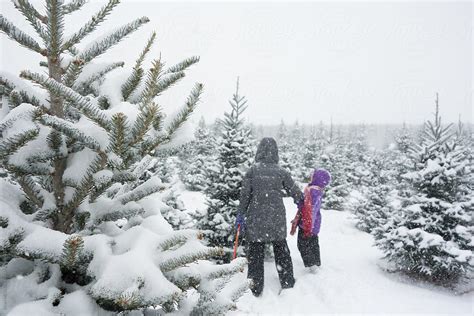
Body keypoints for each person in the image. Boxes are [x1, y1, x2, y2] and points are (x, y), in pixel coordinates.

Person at [235, 137, 303, 297]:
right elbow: (296, 193)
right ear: (275, 152)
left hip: (256, 218)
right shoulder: (281, 171)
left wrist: (240, 214)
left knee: (256, 254)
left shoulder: (252, 171)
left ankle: (255, 287)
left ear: (259, 151)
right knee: (281, 250)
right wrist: (302, 201)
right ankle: (287, 283)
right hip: (276, 217)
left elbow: (245, 196)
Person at [290, 169, 331, 272]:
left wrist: (307, 226)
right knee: (313, 243)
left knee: (303, 245)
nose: (310, 177)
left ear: (317, 179)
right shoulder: (318, 190)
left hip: (308, 224)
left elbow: (308, 208)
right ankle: (316, 262)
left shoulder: (312, 191)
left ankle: (312, 266)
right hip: (314, 224)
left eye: (312, 176)